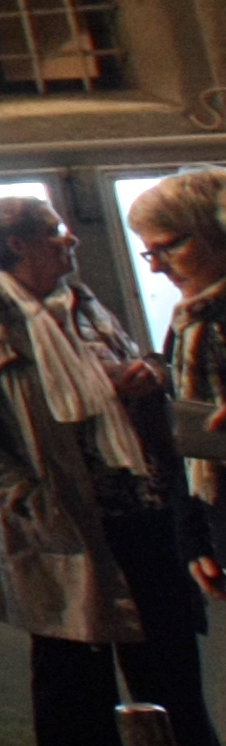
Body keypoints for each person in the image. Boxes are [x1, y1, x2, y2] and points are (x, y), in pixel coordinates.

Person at [0, 194, 226, 746]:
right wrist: (29, 495)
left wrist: (148, 370)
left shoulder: (82, 302)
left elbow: (121, 369)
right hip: (65, 534)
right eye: (55, 234)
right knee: (74, 692)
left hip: (144, 515)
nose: (71, 244)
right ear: (14, 249)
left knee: (173, 683)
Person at [136, 169, 226, 576]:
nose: (157, 268)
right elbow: (193, 439)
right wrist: (195, 536)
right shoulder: (191, 322)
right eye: (148, 253)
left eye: (168, 248)